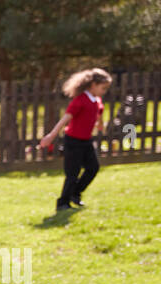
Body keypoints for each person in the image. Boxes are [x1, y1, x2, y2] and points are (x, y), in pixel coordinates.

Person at [40, 67, 112, 211]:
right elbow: (65, 119)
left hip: (86, 141)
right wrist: (51, 135)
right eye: (103, 88)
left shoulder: (96, 100)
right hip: (73, 141)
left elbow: (99, 112)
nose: (104, 92)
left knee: (93, 168)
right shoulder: (80, 100)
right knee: (72, 174)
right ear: (93, 85)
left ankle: (75, 194)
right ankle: (62, 203)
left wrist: (100, 124)